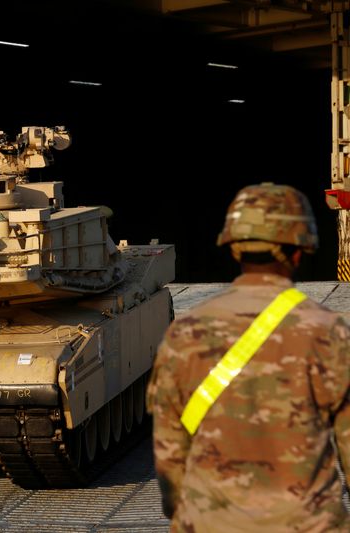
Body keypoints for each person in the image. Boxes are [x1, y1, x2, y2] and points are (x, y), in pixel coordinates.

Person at [147, 183, 350, 532]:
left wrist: (187, 513)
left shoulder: (186, 333)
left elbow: (170, 449)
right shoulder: (328, 332)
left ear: (235, 249)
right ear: (301, 250)